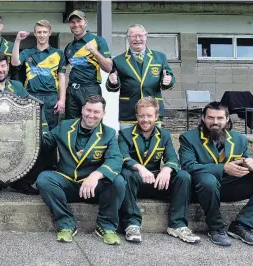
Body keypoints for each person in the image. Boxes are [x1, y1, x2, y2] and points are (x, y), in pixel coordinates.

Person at [36, 94, 125, 245]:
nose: (91, 115)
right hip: (67, 184)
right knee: (44, 179)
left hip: (93, 188)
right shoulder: (65, 126)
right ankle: (66, 224)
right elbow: (44, 143)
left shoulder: (108, 133)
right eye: (88, 110)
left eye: (96, 112)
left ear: (103, 114)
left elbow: (115, 159)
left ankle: (106, 226)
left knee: (118, 181)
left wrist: (96, 175)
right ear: (82, 109)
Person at [118, 97, 199, 244]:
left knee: (183, 176)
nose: (145, 119)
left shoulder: (165, 135)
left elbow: (173, 159)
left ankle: (178, 225)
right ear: (136, 116)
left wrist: (167, 170)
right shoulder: (125, 134)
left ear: (156, 116)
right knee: (125, 174)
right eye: (141, 115)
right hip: (134, 181)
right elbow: (122, 156)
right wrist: (140, 168)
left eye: (149, 116)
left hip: (156, 181)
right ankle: (132, 224)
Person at [0, 51, 51, 195]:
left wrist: (43, 128)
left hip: (18, 137)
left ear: (7, 67)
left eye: (3, 66)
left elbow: (34, 106)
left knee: (47, 143)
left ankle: (22, 182)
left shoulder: (18, 86)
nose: (0, 70)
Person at [179, 101, 253, 246]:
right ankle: (216, 227)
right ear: (203, 118)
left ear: (227, 120)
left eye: (220, 118)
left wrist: (250, 163)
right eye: (210, 118)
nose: (215, 122)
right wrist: (223, 168)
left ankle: (242, 225)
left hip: (229, 187)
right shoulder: (189, 138)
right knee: (208, 181)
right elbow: (188, 166)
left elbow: (247, 157)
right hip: (201, 188)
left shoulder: (240, 139)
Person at [106, 24, 175, 130]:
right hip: (129, 112)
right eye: (133, 36)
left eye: (140, 35)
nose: (137, 39)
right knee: (128, 144)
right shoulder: (118, 60)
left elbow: (169, 79)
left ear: (146, 36)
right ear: (128, 38)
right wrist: (113, 82)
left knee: (153, 143)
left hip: (153, 111)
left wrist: (168, 81)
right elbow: (111, 86)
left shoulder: (160, 57)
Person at [11, 19, 67, 129]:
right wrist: (18, 40)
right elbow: (14, 62)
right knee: (30, 130)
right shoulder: (27, 52)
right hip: (31, 96)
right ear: (35, 34)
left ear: (49, 33)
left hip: (51, 97)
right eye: (39, 32)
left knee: (51, 132)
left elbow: (62, 78)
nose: (42, 35)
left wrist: (62, 100)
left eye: (44, 32)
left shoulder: (58, 53)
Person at [63, 10, 112, 120]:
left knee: (91, 124)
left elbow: (109, 68)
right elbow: (60, 71)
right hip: (72, 91)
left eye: (79, 21)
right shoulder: (69, 46)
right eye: (72, 22)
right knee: (71, 126)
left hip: (90, 89)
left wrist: (94, 52)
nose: (76, 25)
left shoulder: (98, 41)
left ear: (85, 22)